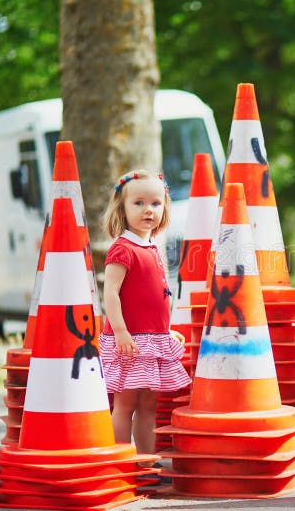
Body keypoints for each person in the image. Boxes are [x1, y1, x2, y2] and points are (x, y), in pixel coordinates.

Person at [100, 169, 190, 475]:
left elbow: (152, 298)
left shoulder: (150, 246)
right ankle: (122, 462)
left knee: (149, 406)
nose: (148, 210)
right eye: (138, 203)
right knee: (125, 404)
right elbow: (110, 293)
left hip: (151, 341)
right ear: (122, 209)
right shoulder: (123, 248)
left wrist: (165, 332)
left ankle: (147, 460)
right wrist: (122, 332)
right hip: (130, 342)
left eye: (156, 203)